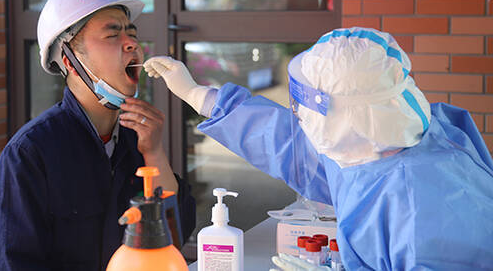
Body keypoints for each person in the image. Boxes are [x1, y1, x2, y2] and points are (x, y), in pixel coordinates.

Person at [144, 27, 493, 270]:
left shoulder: (428, 209)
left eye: (305, 105)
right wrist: (198, 96)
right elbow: (289, 146)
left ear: (350, 114)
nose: (298, 115)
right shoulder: (376, 147)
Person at [0, 0, 195, 270]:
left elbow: (175, 237)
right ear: (69, 60)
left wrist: (154, 153)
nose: (132, 43)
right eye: (112, 35)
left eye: (132, 33)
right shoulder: (30, 154)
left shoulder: (135, 139)